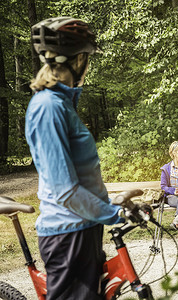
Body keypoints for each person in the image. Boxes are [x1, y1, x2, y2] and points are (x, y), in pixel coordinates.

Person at [25, 17, 122, 299]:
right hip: (68, 235)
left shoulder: (61, 104)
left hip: (82, 228)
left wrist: (109, 201)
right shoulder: (48, 108)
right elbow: (65, 189)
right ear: (79, 59)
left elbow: (79, 176)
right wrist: (114, 214)